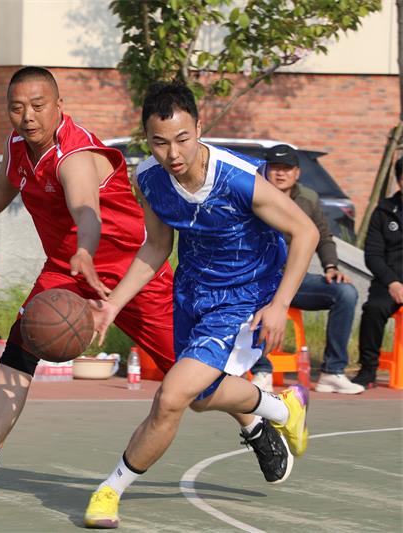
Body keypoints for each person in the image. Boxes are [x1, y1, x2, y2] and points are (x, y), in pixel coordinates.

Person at [82, 81, 319, 528]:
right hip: (192, 293)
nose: (173, 153)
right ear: (146, 139)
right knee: (200, 397)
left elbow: (305, 231)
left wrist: (279, 304)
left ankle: (109, 490)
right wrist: (112, 305)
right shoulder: (149, 179)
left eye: (182, 139)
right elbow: (157, 246)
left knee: (172, 396)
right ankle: (281, 408)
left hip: (245, 296)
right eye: (160, 142)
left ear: (199, 128)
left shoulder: (237, 178)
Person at [0, 66, 177, 495]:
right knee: (22, 343)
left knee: (192, 375)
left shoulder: (73, 154)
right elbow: (1, 189)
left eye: (37, 106)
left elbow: (86, 209)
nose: (27, 116)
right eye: (17, 108)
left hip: (132, 271)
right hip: (67, 267)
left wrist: (85, 247)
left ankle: (259, 418)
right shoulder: (17, 146)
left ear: (59, 106)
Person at [249, 144, 362, 394]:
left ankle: (332, 372)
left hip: (295, 281)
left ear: (297, 173)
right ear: (266, 169)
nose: (280, 173)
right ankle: (262, 370)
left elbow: (323, 236)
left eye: (286, 168)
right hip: (262, 280)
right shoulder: (253, 194)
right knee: (251, 295)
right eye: (275, 167)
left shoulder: (308, 198)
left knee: (345, 292)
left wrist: (331, 267)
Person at [353, 157, 403, 387]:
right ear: (399, 182)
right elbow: (372, 255)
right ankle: (368, 369)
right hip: (389, 282)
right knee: (374, 309)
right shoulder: (383, 211)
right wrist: (392, 282)